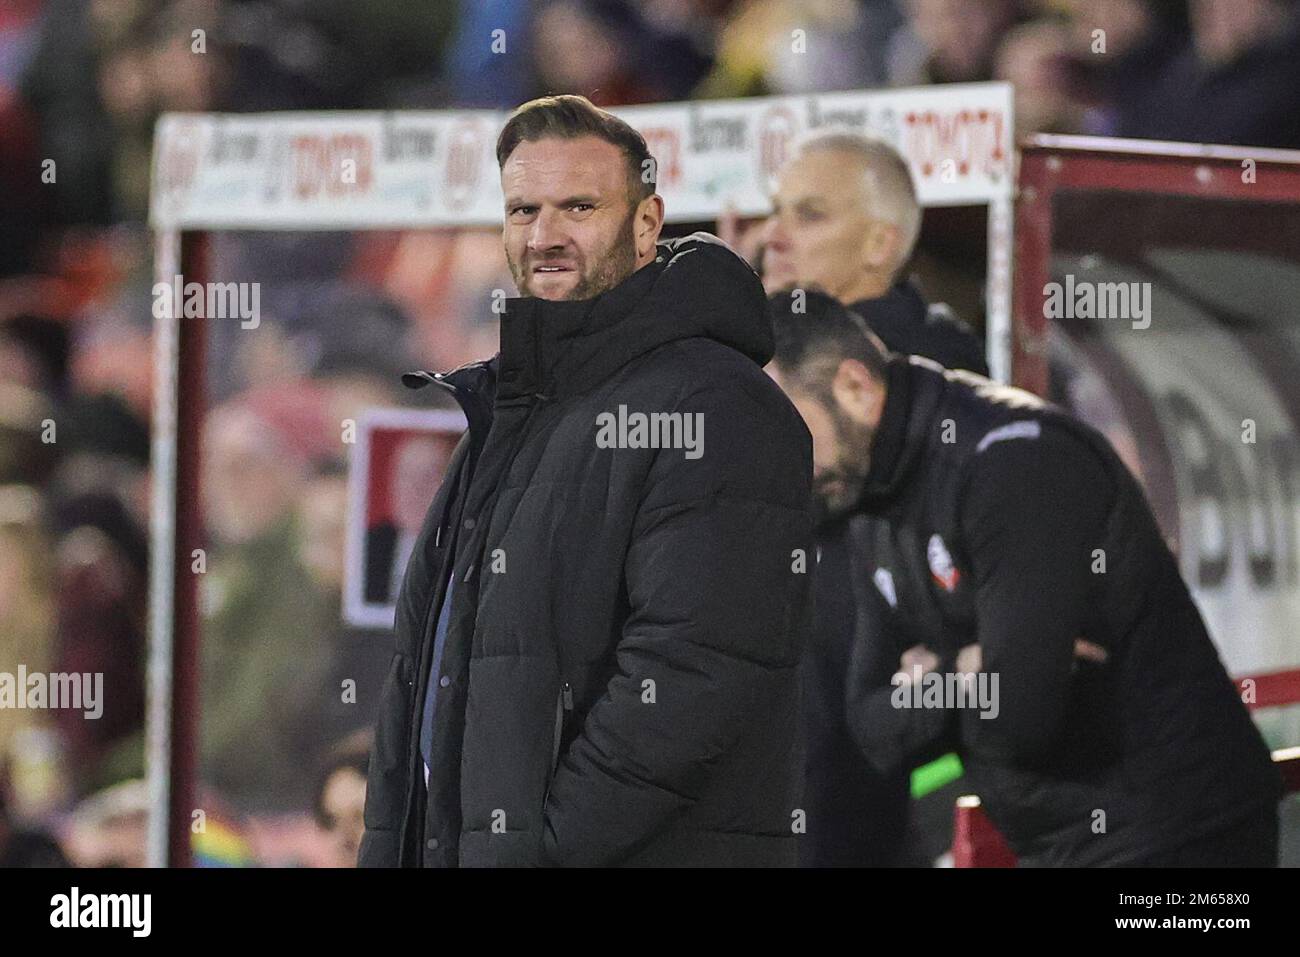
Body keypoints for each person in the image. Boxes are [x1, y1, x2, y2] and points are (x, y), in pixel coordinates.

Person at [359, 94, 814, 868]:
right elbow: (432, 676)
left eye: (578, 206)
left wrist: (545, 847)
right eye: (522, 210)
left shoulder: (719, 403)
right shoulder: (516, 404)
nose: (545, 236)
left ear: (646, 224)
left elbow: (695, 672)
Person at [767, 289, 1283, 867]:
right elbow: (872, 731)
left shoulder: (1011, 464)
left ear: (854, 388)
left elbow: (1019, 722)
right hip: (1060, 850)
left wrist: (932, 681)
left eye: (781, 425)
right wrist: (964, 667)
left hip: (1185, 843)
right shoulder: (869, 502)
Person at [762, 130, 987, 376]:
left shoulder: (924, 366)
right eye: (775, 210)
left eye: (810, 214)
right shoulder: (780, 335)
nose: (771, 236)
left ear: (879, 244)